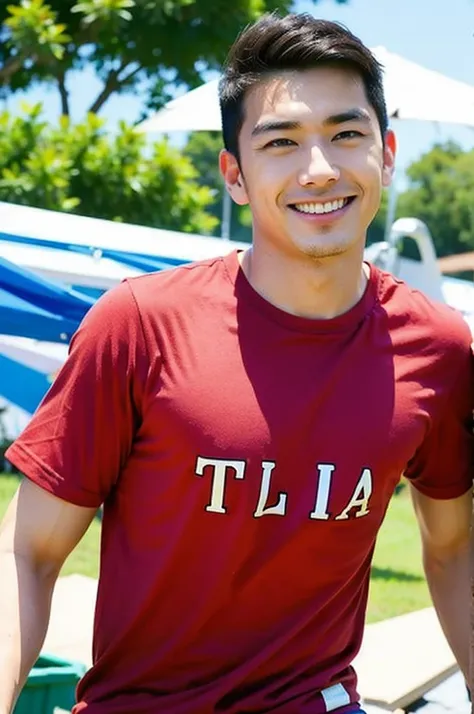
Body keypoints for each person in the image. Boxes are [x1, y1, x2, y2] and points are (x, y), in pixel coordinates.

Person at [0, 12, 472, 714]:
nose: (320, 169)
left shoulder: (439, 349)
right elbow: (27, 554)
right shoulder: (138, 326)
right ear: (235, 175)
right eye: (281, 142)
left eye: (347, 134)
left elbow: (455, 550)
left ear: (388, 153)